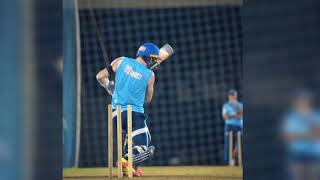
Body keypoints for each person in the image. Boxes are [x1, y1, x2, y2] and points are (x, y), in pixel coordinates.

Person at [96, 43, 159, 176]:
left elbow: (100, 76)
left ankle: (130, 168)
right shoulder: (150, 74)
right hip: (135, 114)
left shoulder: (121, 61)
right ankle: (127, 160)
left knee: (130, 138)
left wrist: (110, 88)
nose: (155, 62)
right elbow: (148, 99)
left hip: (116, 115)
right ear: (148, 57)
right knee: (145, 145)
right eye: (154, 58)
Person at [282, 89, 320, 180]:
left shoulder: (316, 115)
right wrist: (310, 135)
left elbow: (318, 134)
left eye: (305, 100)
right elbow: (288, 137)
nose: (303, 103)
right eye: (301, 101)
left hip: (314, 154)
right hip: (296, 154)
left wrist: (308, 117)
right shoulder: (290, 117)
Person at [222, 89, 243, 165]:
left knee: (240, 144)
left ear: (236, 96)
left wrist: (235, 106)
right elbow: (225, 116)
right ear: (228, 96)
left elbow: (241, 115)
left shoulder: (240, 104)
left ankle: (233, 157)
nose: (232, 97)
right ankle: (228, 162)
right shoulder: (226, 105)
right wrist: (235, 115)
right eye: (231, 95)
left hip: (239, 125)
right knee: (228, 144)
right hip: (229, 125)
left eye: (233, 95)